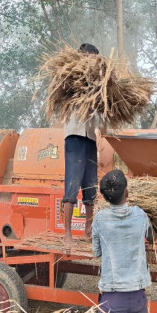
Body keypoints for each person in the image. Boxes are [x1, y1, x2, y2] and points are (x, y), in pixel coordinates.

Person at [92, 170, 152, 313]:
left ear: (105, 198)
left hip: (112, 297)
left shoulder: (100, 219)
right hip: (138, 295)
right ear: (127, 192)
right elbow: (150, 236)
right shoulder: (141, 215)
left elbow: (96, 252)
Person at [62, 43, 104, 245]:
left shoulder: (98, 85)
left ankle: (88, 230)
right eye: (88, 56)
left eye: (94, 57)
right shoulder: (71, 80)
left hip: (90, 138)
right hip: (75, 136)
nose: (91, 60)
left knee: (90, 185)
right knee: (72, 185)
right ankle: (67, 234)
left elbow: (101, 114)